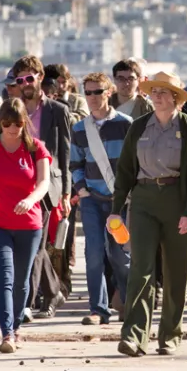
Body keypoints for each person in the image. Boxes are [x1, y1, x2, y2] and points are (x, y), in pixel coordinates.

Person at [111, 72, 187, 358]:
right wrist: (116, 210)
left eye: (164, 92)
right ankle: (134, 336)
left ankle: (170, 336)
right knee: (140, 269)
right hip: (143, 199)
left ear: (176, 97)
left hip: (177, 199)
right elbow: (125, 170)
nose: (158, 97)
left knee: (176, 272)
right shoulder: (139, 126)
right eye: (154, 92)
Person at [0, 98, 50, 353]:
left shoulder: (35, 148)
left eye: (18, 123)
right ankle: (7, 333)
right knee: (4, 278)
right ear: (0, 122)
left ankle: (17, 325)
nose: (13, 128)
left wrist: (30, 199)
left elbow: (44, 182)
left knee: (22, 280)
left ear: (25, 123)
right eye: (7, 123)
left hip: (29, 225)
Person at [68, 72, 133, 326]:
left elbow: (134, 163)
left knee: (120, 256)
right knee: (93, 255)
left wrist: (129, 193)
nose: (92, 97)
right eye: (88, 92)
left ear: (109, 92)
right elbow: (75, 163)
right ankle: (98, 309)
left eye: (97, 92)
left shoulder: (126, 124)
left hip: (121, 202)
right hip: (92, 201)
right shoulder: (79, 129)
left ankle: (128, 304)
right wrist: (81, 188)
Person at [12, 56, 73, 320]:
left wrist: (67, 192)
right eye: (20, 80)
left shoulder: (57, 110)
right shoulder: (13, 110)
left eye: (29, 78)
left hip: (48, 186)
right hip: (19, 185)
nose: (25, 83)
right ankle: (52, 292)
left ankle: (28, 302)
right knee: (33, 244)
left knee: (36, 244)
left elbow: (66, 154)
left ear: (40, 78)